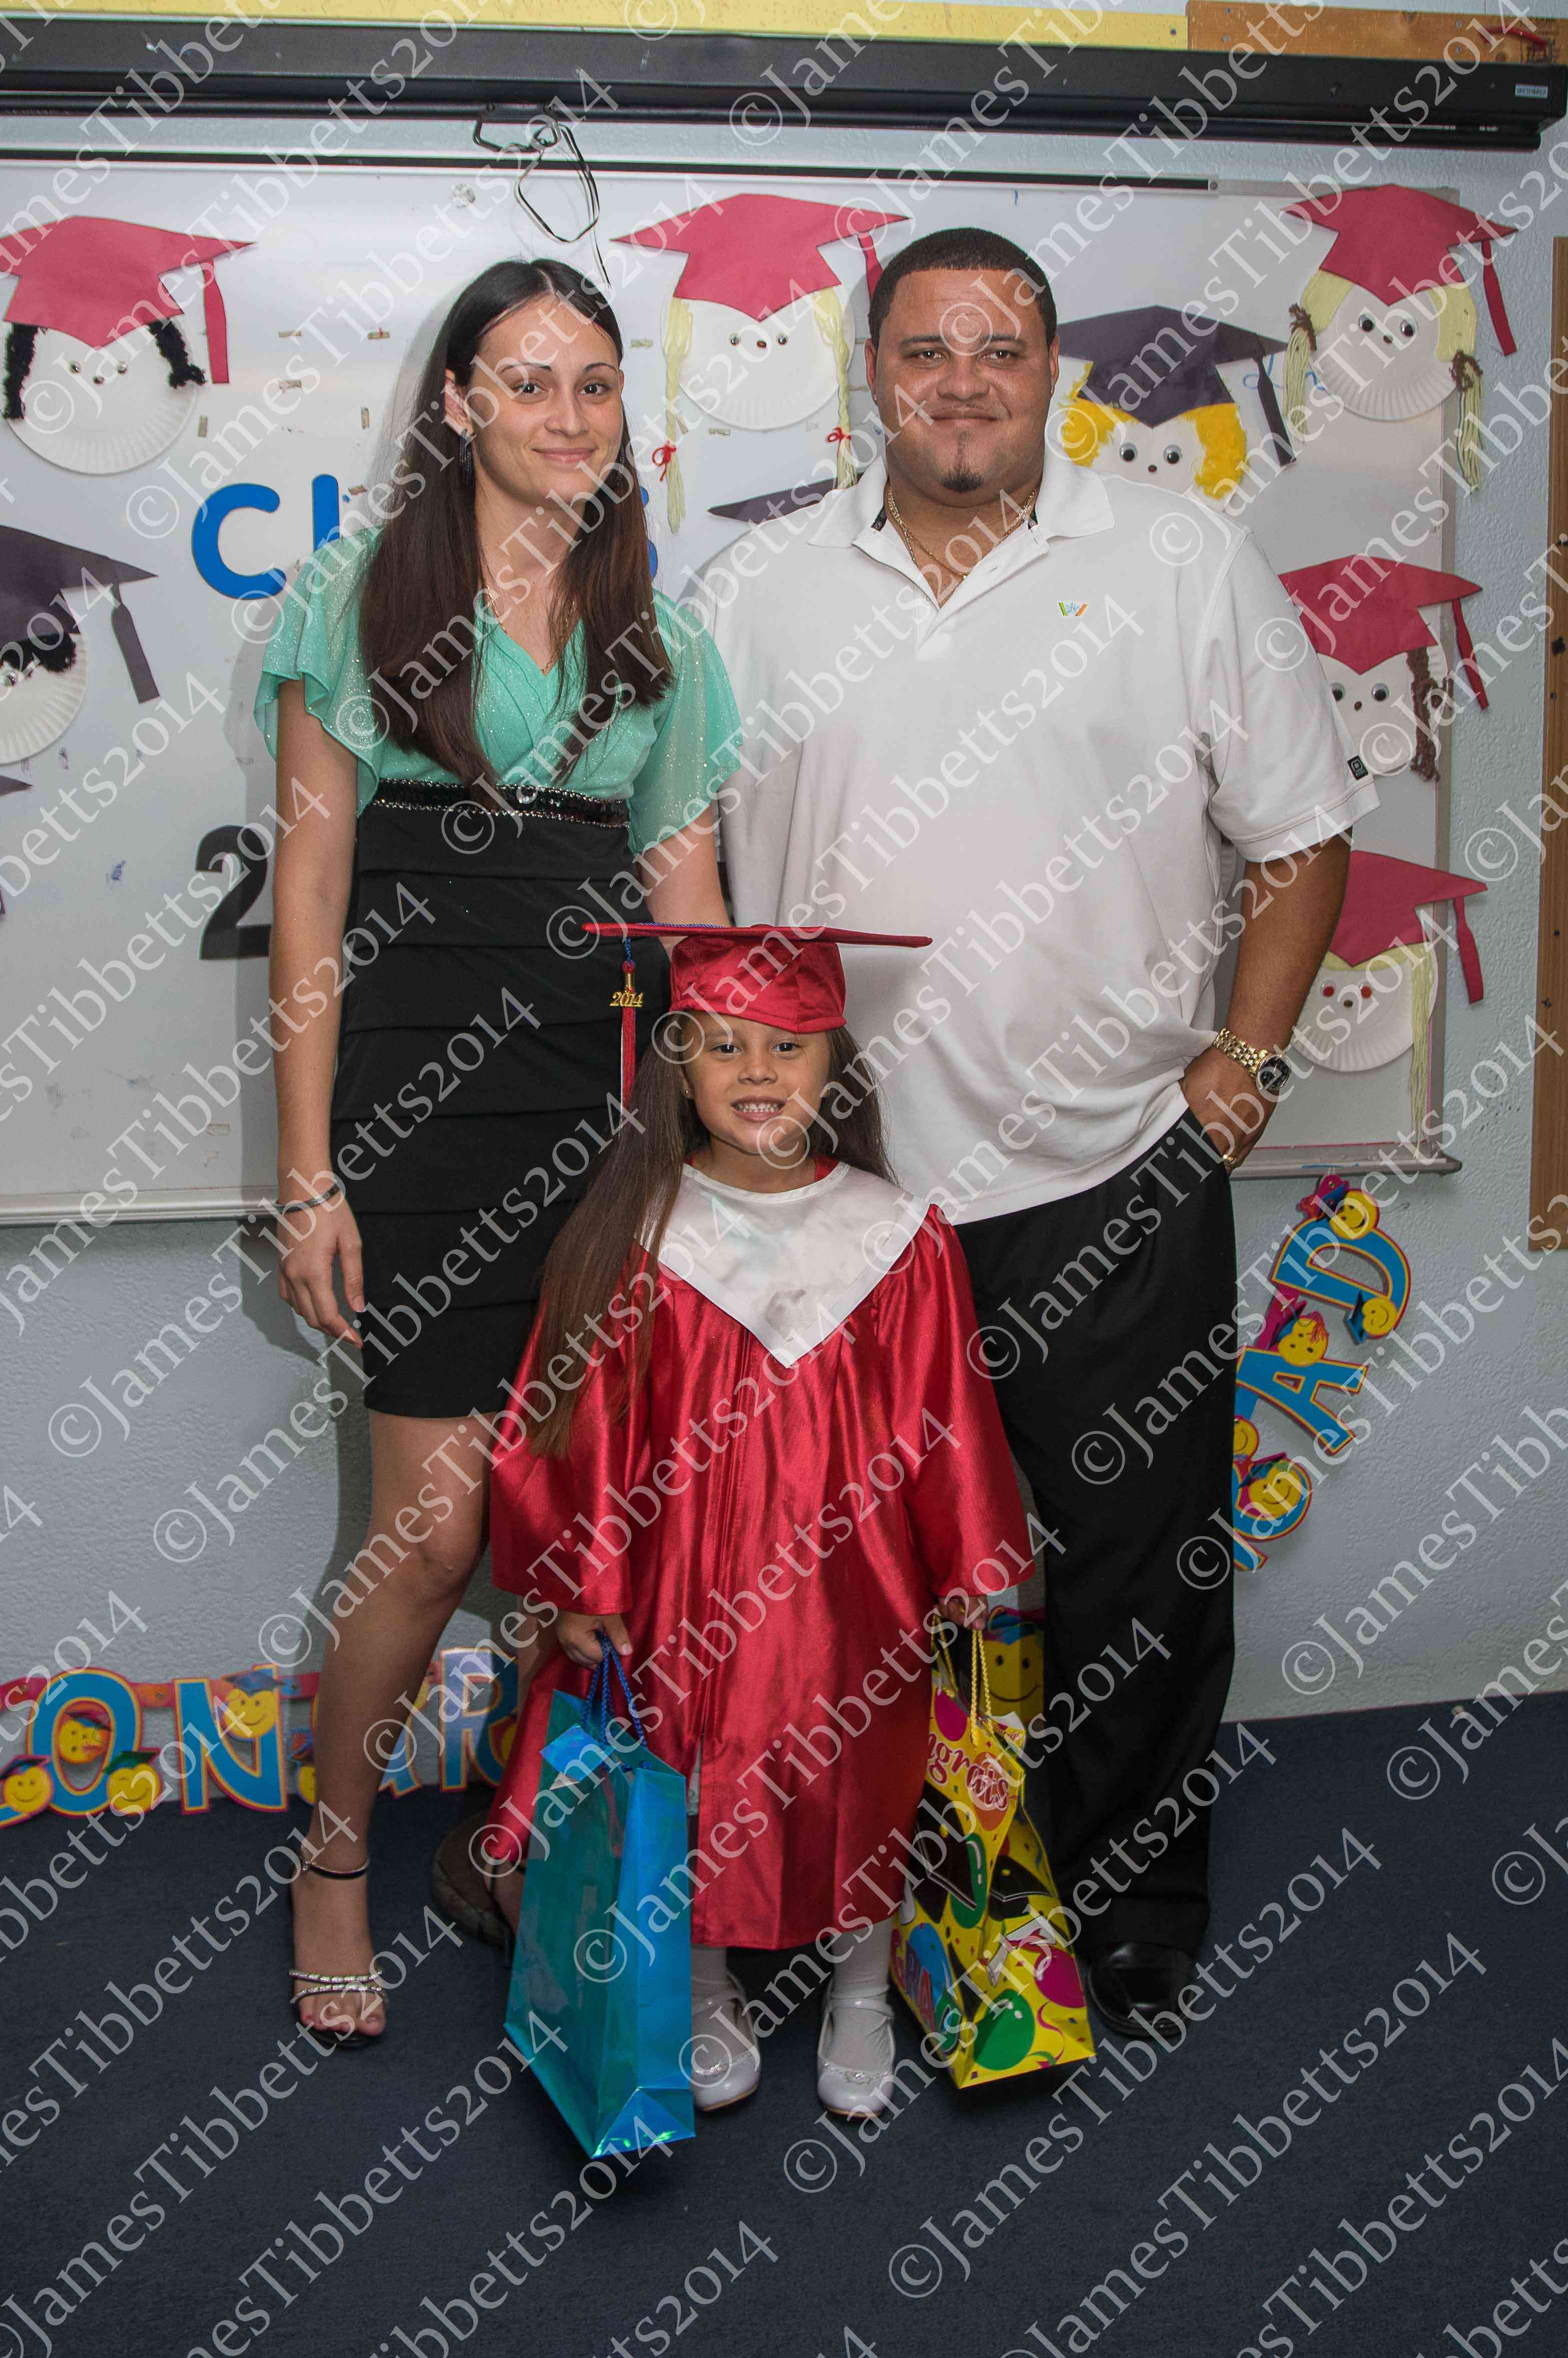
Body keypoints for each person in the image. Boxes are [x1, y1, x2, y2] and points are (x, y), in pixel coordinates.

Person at [686, 226, 1376, 2035]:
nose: (962, 381)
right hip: (825, 1192)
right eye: (925, 349)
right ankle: (853, 1898)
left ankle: (1127, 1897)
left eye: (998, 347)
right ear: (871, 371)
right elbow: (685, 865)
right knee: (834, 1571)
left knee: (1131, 1555)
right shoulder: (756, 589)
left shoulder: (1175, 559)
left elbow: (1302, 832)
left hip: (1108, 1162)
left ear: (1051, 369)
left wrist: (1241, 1065)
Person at [255, 258, 739, 2042]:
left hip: (607, 1112)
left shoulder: (663, 636)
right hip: (416, 1106)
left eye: (594, 383)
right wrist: (307, 1173)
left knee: (594, 1531)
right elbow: (310, 895)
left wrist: (731, 1158)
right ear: (456, 400)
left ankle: (526, 1849)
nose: (565, 415)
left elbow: (689, 904)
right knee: (436, 1529)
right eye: (527, 381)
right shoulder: (353, 600)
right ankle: (332, 1859)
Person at [480, 924, 1039, 2116]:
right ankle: (702, 1983)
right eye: (723, 1043)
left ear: (835, 1060)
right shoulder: (638, 1232)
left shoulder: (897, 1231)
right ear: (675, 1064)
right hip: (681, 1581)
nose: (756, 1070)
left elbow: (948, 1412)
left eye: (788, 1045)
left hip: (860, 1584)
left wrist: (971, 1561)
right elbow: (577, 1419)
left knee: (868, 1767)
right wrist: (584, 1578)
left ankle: (860, 1988)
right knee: (687, 1770)